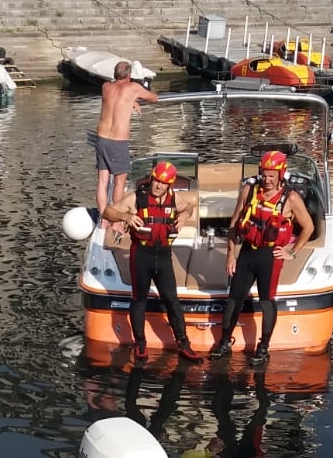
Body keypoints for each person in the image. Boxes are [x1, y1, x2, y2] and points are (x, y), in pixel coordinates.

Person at [210, 150, 314, 366]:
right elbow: (235, 222)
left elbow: (308, 227)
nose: (266, 180)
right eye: (264, 175)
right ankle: (224, 341)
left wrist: (292, 251)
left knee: (267, 302)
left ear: (281, 174)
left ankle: (263, 346)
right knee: (233, 299)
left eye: (271, 177)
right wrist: (231, 255)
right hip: (248, 251)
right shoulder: (249, 190)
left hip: (271, 255)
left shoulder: (291, 198)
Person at [101, 161, 203, 362]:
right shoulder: (136, 199)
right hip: (141, 255)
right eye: (156, 180)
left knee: (172, 301)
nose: (158, 186)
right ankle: (140, 344)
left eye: (163, 183)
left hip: (163, 256)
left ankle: (184, 344)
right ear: (151, 178)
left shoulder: (174, 199)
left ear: (170, 185)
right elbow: (107, 212)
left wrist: (184, 215)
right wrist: (125, 216)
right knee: (139, 300)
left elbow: (189, 206)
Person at [95, 60, 160, 222]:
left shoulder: (105, 87)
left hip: (102, 139)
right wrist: (135, 99)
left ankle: (103, 218)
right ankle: (116, 219)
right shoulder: (133, 88)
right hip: (118, 142)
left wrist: (133, 101)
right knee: (119, 182)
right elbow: (154, 98)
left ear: (114, 74)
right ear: (129, 76)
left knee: (102, 181)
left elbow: (117, 98)